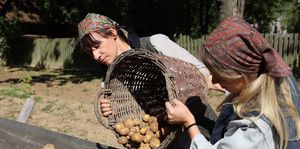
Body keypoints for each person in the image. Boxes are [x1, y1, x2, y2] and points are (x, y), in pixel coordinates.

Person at [165, 15, 300, 149]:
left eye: (220, 75)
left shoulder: (261, 124)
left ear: (242, 75)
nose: (214, 80)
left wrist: (189, 122)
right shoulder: (272, 76)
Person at [78, 13, 225, 117]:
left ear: (112, 33)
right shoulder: (109, 78)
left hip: (199, 127)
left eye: (97, 46)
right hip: (162, 143)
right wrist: (111, 110)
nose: (96, 56)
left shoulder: (155, 44)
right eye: (90, 52)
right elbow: (125, 112)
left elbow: (203, 74)